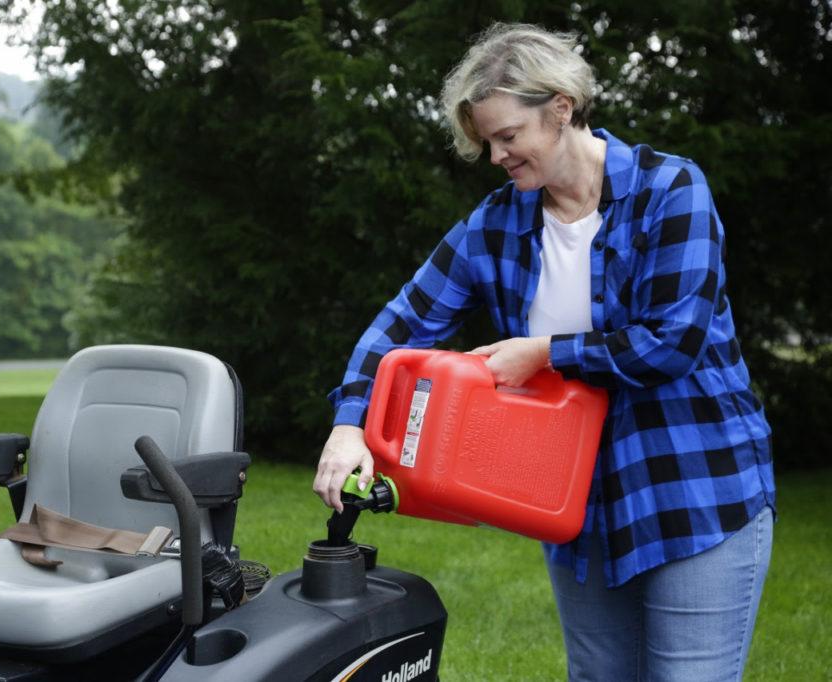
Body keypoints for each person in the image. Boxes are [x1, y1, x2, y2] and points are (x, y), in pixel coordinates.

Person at [313, 22, 775, 681]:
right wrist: (348, 424)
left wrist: (544, 354)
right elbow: (401, 323)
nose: (497, 156)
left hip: (695, 488)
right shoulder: (498, 223)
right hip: (575, 507)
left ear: (561, 108)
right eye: (486, 142)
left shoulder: (670, 191)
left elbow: (671, 343)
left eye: (508, 136)